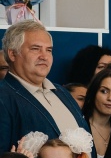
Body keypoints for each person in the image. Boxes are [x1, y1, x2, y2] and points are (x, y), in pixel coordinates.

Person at [0, 21, 92, 151]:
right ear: (12, 54)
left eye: (49, 50)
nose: (44, 57)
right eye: (35, 49)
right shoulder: (3, 97)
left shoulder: (62, 92)